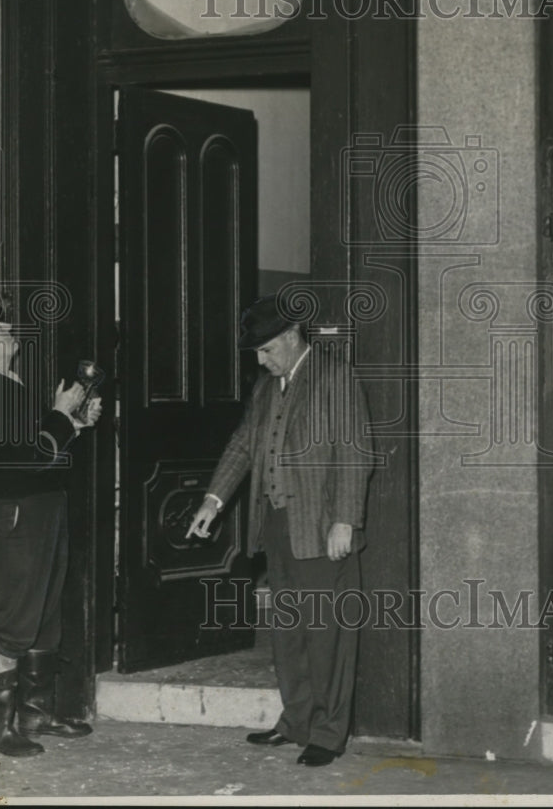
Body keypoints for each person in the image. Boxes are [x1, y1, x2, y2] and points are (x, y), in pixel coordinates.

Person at [187, 294, 374, 767]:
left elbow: (355, 452)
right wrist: (213, 499)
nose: (260, 358)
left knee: (326, 633)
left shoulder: (335, 376)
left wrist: (345, 520)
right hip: (277, 525)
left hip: (321, 526)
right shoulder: (267, 386)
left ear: (292, 338)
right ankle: (296, 721)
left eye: (266, 349)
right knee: (288, 632)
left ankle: (329, 734)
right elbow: (243, 444)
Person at [0, 294, 103, 757]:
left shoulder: (7, 385)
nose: (12, 331)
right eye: (2, 328)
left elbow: (38, 450)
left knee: (44, 618)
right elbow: (22, 458)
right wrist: (59, 414)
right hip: (15, 516)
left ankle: (35, 713)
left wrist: (73, 423)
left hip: (40, 509)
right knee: (14, 623)